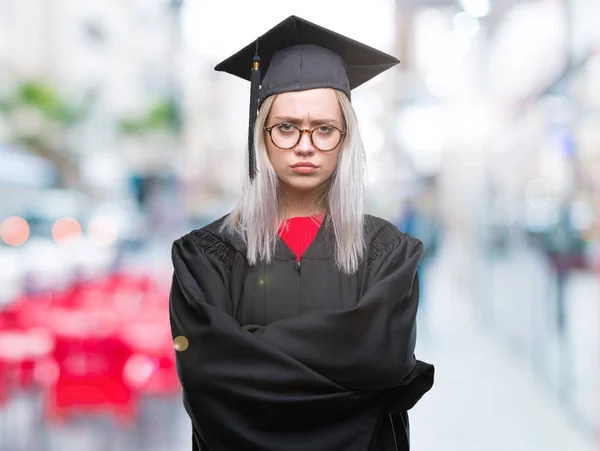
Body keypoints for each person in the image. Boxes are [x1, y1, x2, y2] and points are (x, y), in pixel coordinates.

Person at [169, 15, 434, 451]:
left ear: (347, 140)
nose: (305, 145)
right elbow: (207, 378)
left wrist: (248, 347)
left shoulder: (388, 253)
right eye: (287, 127)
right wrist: (347, 367)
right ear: (262, 136)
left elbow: (383, 362)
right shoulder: (206, 256)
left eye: (325, 129)